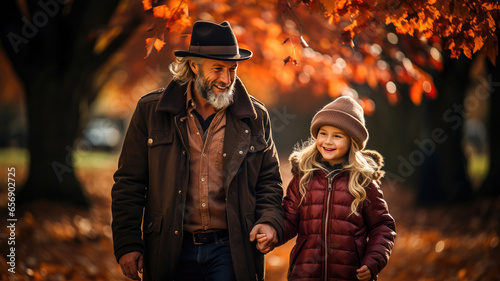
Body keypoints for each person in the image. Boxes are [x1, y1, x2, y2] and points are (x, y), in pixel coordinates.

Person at [111, 20, 284, 281]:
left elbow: (269, 181)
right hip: (170, 247)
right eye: (218, 69)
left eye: (232, 69)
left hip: (231, 249)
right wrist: (128, 243)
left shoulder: (255, 116)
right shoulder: (151, 111)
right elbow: (129, 184)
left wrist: (270, 220)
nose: (227, 79)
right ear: (193, 65)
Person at [258, 96, 396, 280]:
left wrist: (373, 261)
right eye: (323, 133)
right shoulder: (304, 177)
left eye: (337, 136)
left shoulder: (363, 183)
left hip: (349, 275)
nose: (328, 141)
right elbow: (290, 219)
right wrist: (272, 234)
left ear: (352, 142)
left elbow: (383, 226)